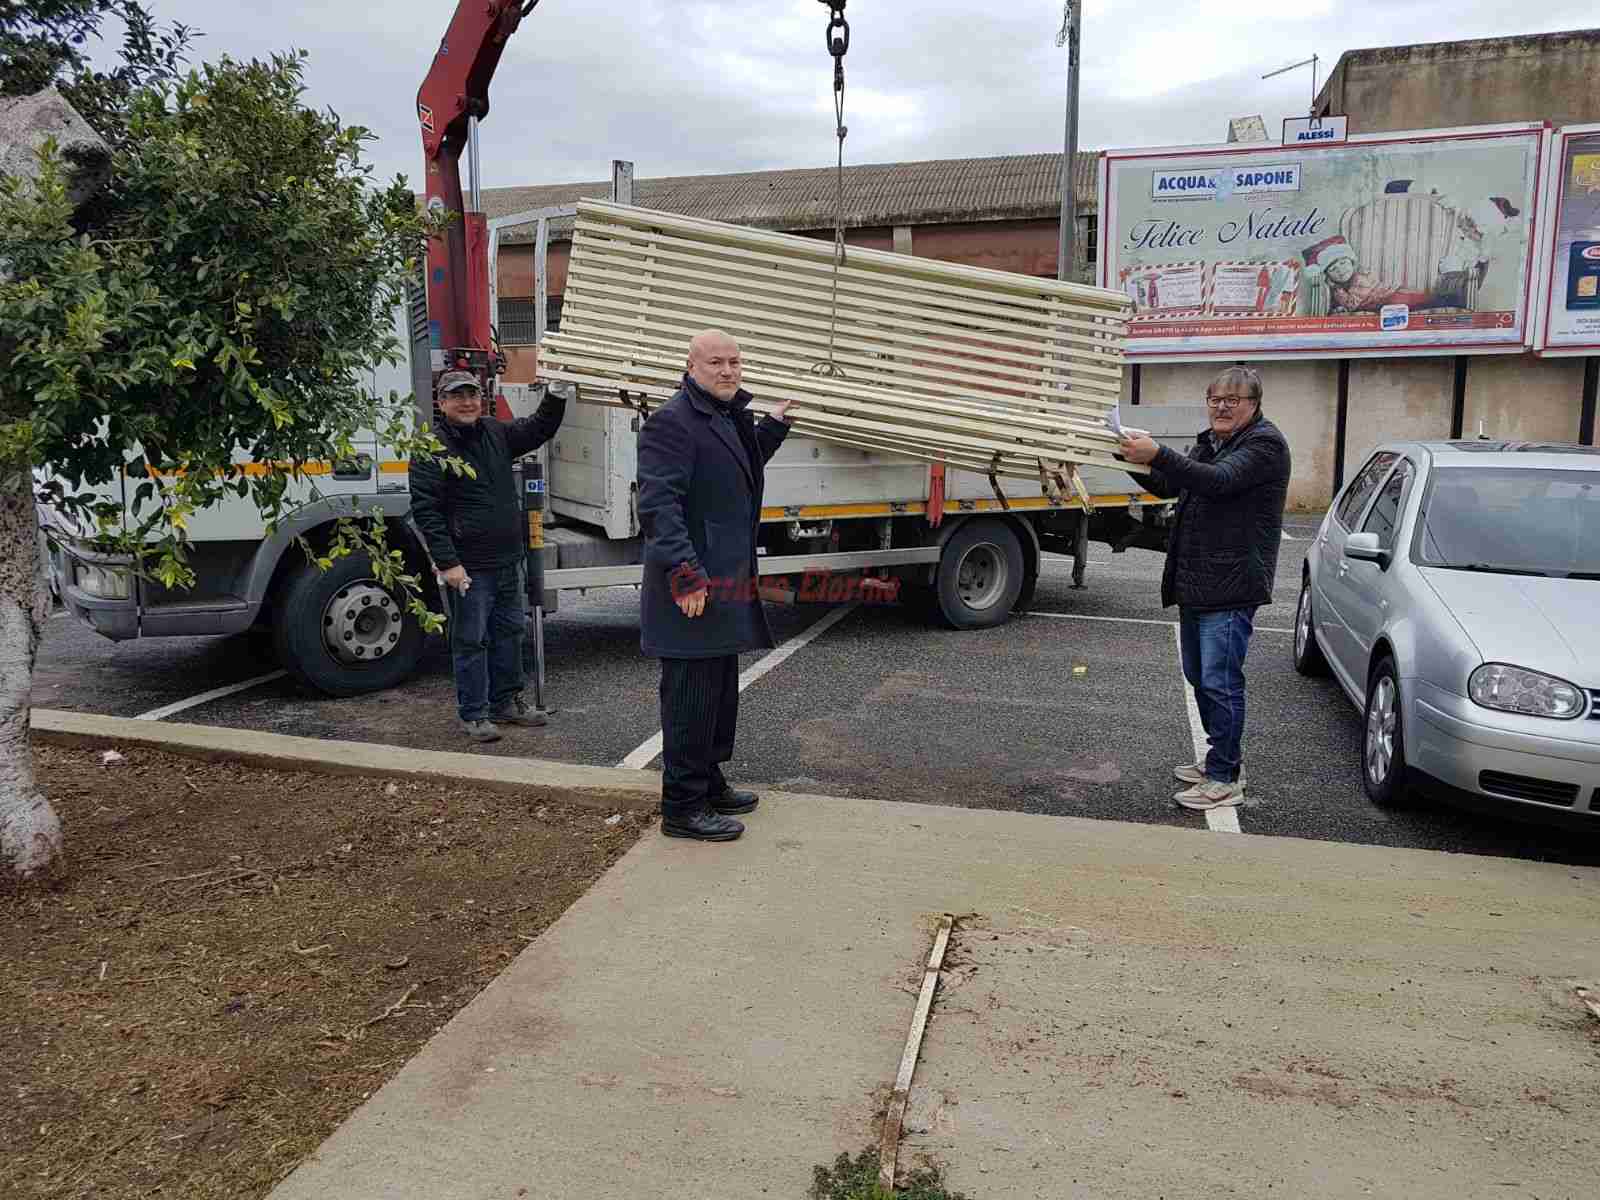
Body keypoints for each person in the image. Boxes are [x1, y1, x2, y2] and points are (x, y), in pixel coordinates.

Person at [636, 330, 792, 842]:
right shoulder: (671, 422)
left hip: (724, 585)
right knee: (690, 700)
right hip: (692, 589)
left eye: (735, 362)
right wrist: (685, 578)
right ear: (691, 366)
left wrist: (773, 427)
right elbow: (660, 507)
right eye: (716, 363)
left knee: (719, 694)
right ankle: (682, 807)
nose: (728, 371)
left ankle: (708, 781)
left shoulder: (724, 417)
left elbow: (736, 469)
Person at [1116, 365, 1290, 812]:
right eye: (1215, 399)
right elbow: (1172, 484)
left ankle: (1224, 778)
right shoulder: (1211, 441)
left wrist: (1157, 452)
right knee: (1200, 678)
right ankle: (1221, 760)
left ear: (1254, 405)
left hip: (1231, 585)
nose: (1222, 407)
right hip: (1198, 580)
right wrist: (1127, 456)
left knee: (1220, 682)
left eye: (1233, 400)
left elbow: (1218, 481)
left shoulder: (1264, 445)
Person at [410, 370, 566, 742]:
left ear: (482, 399)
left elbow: (538, 428)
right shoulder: (431, 448)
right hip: (469, 568)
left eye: (472, 395)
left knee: (509, 633)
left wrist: (557, 396)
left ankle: (506, 702)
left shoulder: (496, 433)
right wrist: (448, 563)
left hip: (507, 561)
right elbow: (426, 511)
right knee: (470, 640)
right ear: (442, 402)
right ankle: (474, 713)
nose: (467, 402)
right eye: (457, 396)